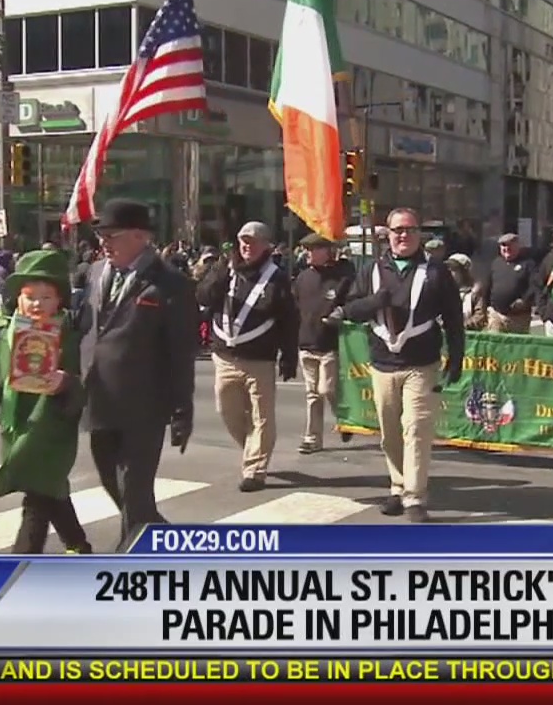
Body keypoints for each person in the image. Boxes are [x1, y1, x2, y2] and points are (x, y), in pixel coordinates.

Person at [77, 198, 198, 552]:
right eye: (101, 235)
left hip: (144, 405)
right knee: (114, 486)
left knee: (134, 491)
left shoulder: (170, 283)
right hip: (98, 400)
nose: (104, 243)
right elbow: (85, 329)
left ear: (139, 236)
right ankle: (169, 544)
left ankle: (128, 569)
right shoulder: (96, 272)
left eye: (111, 235)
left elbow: (180, 352)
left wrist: (181, 410)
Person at [341, 208, 465, 522]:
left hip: (420, 364)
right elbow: (350, 309)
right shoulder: (371, 270)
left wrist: (457, 357)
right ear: (388, 234)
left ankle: (415, 498)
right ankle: (398, 487)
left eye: (409, 230)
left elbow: (453, 318)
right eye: (397, 230)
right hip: (382, 363)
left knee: (417, 430)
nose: (403, 236)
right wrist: (374, 302)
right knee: (391, 433)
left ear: (418, 234)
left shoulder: (436, 271)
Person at [0, 249, 93, 554]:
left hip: (51, 425)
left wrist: (65, 382)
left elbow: (85, 380)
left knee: (37, 497)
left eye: (46, 296)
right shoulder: (5, 330)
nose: (37, 303)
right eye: (30, 296)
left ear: (59, 300)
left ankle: (23, 565)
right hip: (16, 424)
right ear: (19, 298)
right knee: (49, 488)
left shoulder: (69, 332)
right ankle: (78, 544)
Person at [197, 221, 298, 490]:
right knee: (226, 410)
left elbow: (288, 319)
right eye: (242, 241)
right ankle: (252, 448)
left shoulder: (276, 277)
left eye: (252, 241)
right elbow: (204, 296)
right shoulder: (224, 269)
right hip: (225, 356)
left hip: (260, 358)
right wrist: (219, 275)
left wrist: (289, 355)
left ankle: (255, 469)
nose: (246, 246)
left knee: (262, 416)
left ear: (266, 246)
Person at [290, 233, 355, 455]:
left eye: (314, 249)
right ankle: (312, 438)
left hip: (330, 344)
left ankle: (345, 419)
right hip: (306, 342)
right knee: (312, 394)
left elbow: (352, 298)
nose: (308, 254)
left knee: (327, 389)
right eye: (307, 249)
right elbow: (295, 307)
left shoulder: (340, 277)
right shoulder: (302, 278)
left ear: (327, 251)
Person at [479, 233, 535, 334]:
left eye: (510, 245)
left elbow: (534, 286)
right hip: (496, 314)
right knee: (494, 344)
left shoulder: (528, 264)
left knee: (516, 347)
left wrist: (524, 300)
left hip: (519, 317)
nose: (506, 248)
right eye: (503, 245)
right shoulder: (496, 263)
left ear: (517, 246)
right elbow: (488, 286)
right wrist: (485, 307)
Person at [447, 254, 487, 330]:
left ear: (464, 272)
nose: (449, 273)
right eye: (448, 269)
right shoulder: (443, 292)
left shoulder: (474, 294)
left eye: (453, 269)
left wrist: (461, 325)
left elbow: (480, 317)